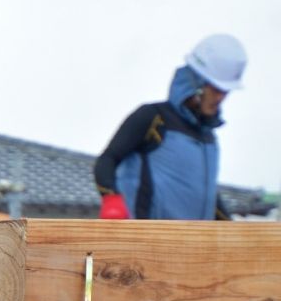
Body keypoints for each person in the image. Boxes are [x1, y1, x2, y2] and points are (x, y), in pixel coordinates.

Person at [93, 33, 246, 221]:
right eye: (216, 90)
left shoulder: (209, 139)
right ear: (195, 84)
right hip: (146, 242)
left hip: (192, 247)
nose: (221, 98)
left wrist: (231, 229)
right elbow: (108, 159)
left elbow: (206, 196)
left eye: (226, 92)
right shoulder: (154, 118)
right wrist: (112, 199)